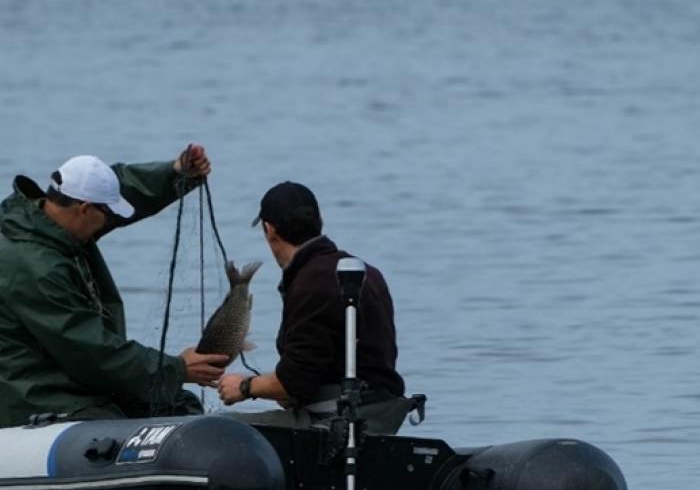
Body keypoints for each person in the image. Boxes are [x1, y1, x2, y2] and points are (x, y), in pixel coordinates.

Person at [0, 145, 229, 428]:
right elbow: (90, 350)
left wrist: (175, 173)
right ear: (84, 210)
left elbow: (121, 189)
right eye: (107, 216)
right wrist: (176, 368)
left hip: (74, 378)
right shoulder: (36, 268)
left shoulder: (52, 220)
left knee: (179, 404)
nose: (110, 221)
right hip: (34, 393)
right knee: (112, 423)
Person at [217, 181, 415, 435]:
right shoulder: (366, 271)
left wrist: (245, 386)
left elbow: (293, 383)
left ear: (269, 230)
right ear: (318, 222)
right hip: (380, 416)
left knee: (219, 427)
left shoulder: (311, 282)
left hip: (336, 422)